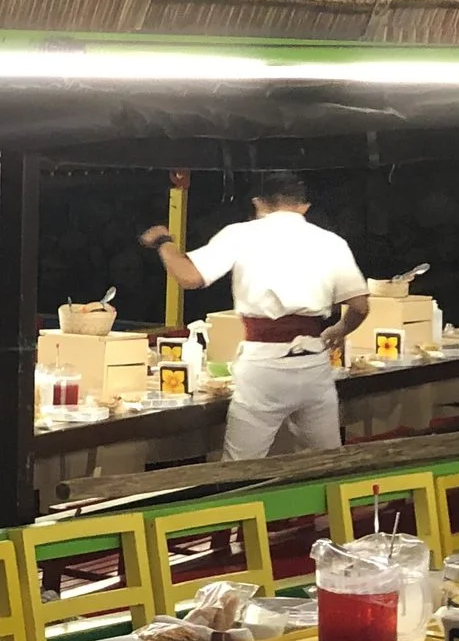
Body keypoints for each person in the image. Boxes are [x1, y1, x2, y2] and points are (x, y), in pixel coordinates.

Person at [140, 171, 370, 460]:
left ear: (258, 203)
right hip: (314, 364)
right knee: (325, 461)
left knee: (240, 466)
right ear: (304, 206)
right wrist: (338, 330)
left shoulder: (241, 234)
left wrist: (164, 242)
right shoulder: (331, 242)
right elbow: (360, 306)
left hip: (264, 365)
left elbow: (188, 277)